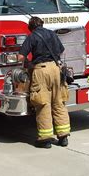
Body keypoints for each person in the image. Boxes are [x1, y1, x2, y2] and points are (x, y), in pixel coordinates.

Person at [17, 17, 71, 149]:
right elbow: (61, 50)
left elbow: (20, 57)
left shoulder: (32, 36)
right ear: (42, 24)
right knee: (59, 102)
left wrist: (27, 64)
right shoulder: (52, 33)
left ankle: (45, 139)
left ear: (31, 27)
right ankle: (63, 137)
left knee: (43, 104)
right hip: (56, 68)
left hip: (41, 71)